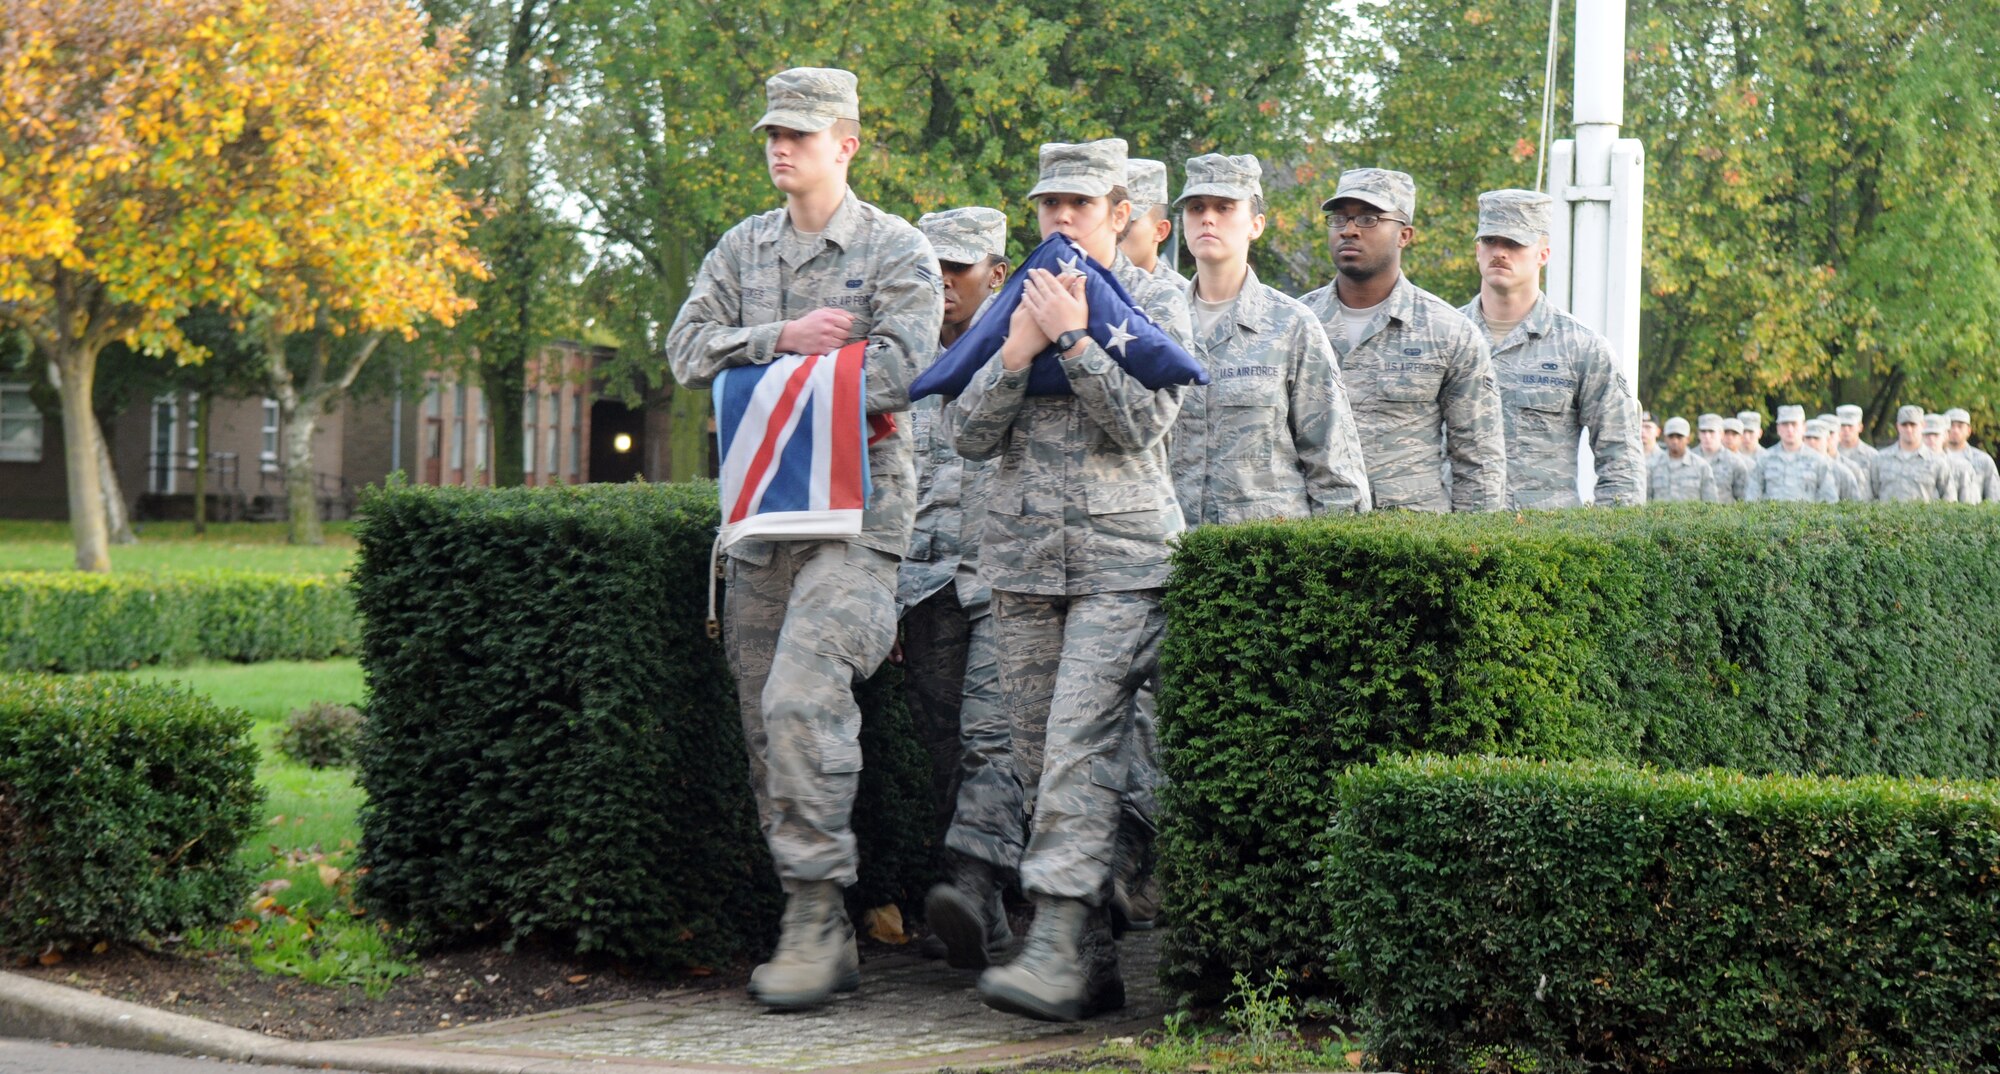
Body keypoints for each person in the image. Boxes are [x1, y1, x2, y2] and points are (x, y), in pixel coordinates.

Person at [664, 67, 944, 1011]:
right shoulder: (743, 248)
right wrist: (781, 336)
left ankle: (821, 914)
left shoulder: (898, 249)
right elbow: (684, 347)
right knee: (761, 724)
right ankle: (808, 917)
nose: (780, 147)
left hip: (856, 522)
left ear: (847, 143)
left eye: (799, 133)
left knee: (799, 694)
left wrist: (810, 371)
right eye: (770, 134)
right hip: (761, 520)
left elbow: (907, 369)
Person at [951, 137, 1193, 1023]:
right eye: (1048, 203)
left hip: (1121, 566)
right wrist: (1016, 354)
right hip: (1020, 566)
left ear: (1120, 214)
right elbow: (966, 434)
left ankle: (1050, 942)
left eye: (1080, 204)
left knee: (1081, 745)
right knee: (1034, 755)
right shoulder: (1011, 302)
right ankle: (1088, 965)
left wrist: (1079, 342)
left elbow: (1140, 426)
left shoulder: (1158, 300)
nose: (1060, 219)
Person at [900, 207, 1020, 970]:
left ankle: (972, 885)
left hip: (1006, 581)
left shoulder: (1022, 353)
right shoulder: (900, 362)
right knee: (945, 748)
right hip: (923, 589)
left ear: (997, 274)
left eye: (959, 267)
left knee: (991, 738)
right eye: (930, 267)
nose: (942, 282)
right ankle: (991, 918)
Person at [1171, 152, 1370, 524]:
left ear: (1256, 225)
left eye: (1225, 207)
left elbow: (1332, 462)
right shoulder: (1156, 323)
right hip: (1167, 554)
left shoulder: (1291, 325)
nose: (1208, 218)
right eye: (1196, 207)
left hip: (1264, 560)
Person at [1298, 168, 1505, 511]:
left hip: (1413, 545)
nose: (1349, 230)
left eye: (1368, 218)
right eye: (1339, 219)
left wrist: (1472, 554)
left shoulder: (1448, 331)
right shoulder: (1297, 324)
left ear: (1404, 235)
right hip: (1313, 541)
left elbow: (1478, 463)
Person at [1459, 189, 1642, 508]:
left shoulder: (1581, 347)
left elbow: (1622, 462)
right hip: (1454, 543)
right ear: (1477, 250)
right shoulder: (1446, 336)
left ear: (1543, 254)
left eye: (1514, 243)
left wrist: (1602, 546)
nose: (1500, 252)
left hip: (1546, 546)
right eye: (1490, 241)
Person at [1117, 158, 1187, 291]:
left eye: (1128, 222)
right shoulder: (1082, 284)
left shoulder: (1183, 296)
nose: (1116, 229)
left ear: (1160, 231)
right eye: (1109, 219)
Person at [1744, 405, 1838, 502]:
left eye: (1794, 424)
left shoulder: (1818, 461)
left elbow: (1830, 500)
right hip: (1771, 516)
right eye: (1785, 424)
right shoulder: (1764, 459)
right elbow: (1752, 497)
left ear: (1804, 428)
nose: (1790, 429)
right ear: (1778, 429)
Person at [1870, 405, 1954, 502]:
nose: (1909, 429)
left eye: (1913, 425)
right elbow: (1872, 497)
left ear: (1923, 425)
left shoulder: (1937, 462)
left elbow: (1949, 499)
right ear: (1897, 426)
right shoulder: (1880, 459)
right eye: (1904, 425)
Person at [1648, 416, 1717, 502]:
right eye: (1671, 436)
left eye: (1679, 437)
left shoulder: (1702, 466)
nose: (1675, 441)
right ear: (1665, 438)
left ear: (1688, 439)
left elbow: (1711, 503)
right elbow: (1646, 500)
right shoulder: (1652, 465)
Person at [1944, 408, 2000, 503]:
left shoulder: (1983, 460)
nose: (1955, 430)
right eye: (1951, 426)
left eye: (1960, 426)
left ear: (1969, 430)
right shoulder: (1932, 459)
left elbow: (1995, 499)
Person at [1695, 413, 1749, 502]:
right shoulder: (1688, 460)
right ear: (1698, 434)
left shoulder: (1735, 462)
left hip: (1725, 514)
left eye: (1711, 431)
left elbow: (1743, 500)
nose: (1707, 436)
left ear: (1721, 434)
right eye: (1703, 431)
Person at [1804, 419, 1862, 501]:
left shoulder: (1843, 473)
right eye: (1808, 437)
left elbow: (1855, 508)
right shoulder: (1794, 470)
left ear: (1827, 440)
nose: (1812, 442)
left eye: (1816, 438)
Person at [1921, 414, 1972, 502]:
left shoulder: (1961, 466)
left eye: (1936, 435)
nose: (1931, 439)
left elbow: (1968, 504)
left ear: (1945, 435)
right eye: (1927, 435)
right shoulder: (1912, 464)